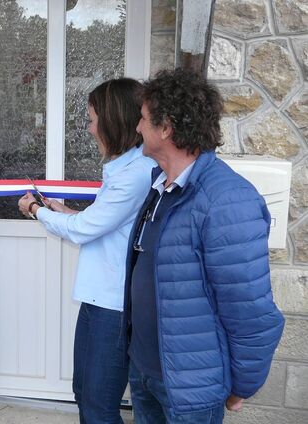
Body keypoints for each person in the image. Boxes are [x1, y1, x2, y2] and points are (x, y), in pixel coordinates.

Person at [122, 68, 285, 424]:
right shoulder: (160, 188)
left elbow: (252, 312)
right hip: (147, 374)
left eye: (143, 120)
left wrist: (243, 384)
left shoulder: (227, 201)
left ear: (166, 128)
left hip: (189, 388)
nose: (137, 128)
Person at [18, 78, 156, 424]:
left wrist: (38, 211)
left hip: (114, 306)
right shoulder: (124, 169)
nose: (91, 127)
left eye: (93, 118)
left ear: (113, 121)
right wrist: (63, 212)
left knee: (99, 405)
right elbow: (104, 224)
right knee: (86, 393)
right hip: (99, 299)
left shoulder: (134, 174)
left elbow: (85, 230)